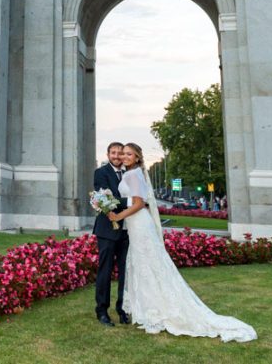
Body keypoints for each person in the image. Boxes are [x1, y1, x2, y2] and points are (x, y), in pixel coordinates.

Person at [107, 143, 256, 342]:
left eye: (128, 154)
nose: (124, 156)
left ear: (137, 157)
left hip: (140, 224)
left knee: (150, 265)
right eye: (123, 153)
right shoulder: (134, 173)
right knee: (146, 266)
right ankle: (150, 308)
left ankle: (155, 311)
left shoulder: (133, 175)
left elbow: (139, 204)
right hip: (135, 226)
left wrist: (118, 217)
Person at [93, 142, 130, 327]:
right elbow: (109, 199)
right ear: (108, 154)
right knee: (105, 271)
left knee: (126, 272)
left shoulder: (129, 173)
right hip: (107, 231)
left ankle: (122, 308)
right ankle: (102, 310)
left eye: (119, 153)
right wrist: (133, 201)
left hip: (128, 231)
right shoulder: (101, 173)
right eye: (113, 152)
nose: (116, 156)